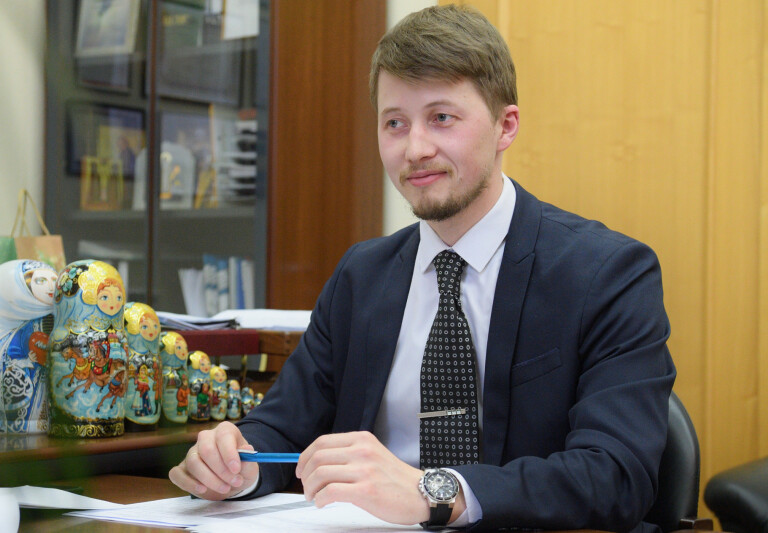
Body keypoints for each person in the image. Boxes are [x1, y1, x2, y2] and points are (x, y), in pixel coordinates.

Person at [169, 5, 676, 531]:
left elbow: (616, 475)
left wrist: (432, 492)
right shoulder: (361, 275)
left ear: (505, 126)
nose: (415, 149)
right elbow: (282, 429)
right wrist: (235, 464)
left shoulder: (606, 273)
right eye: (395, 123)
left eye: (442, 118)